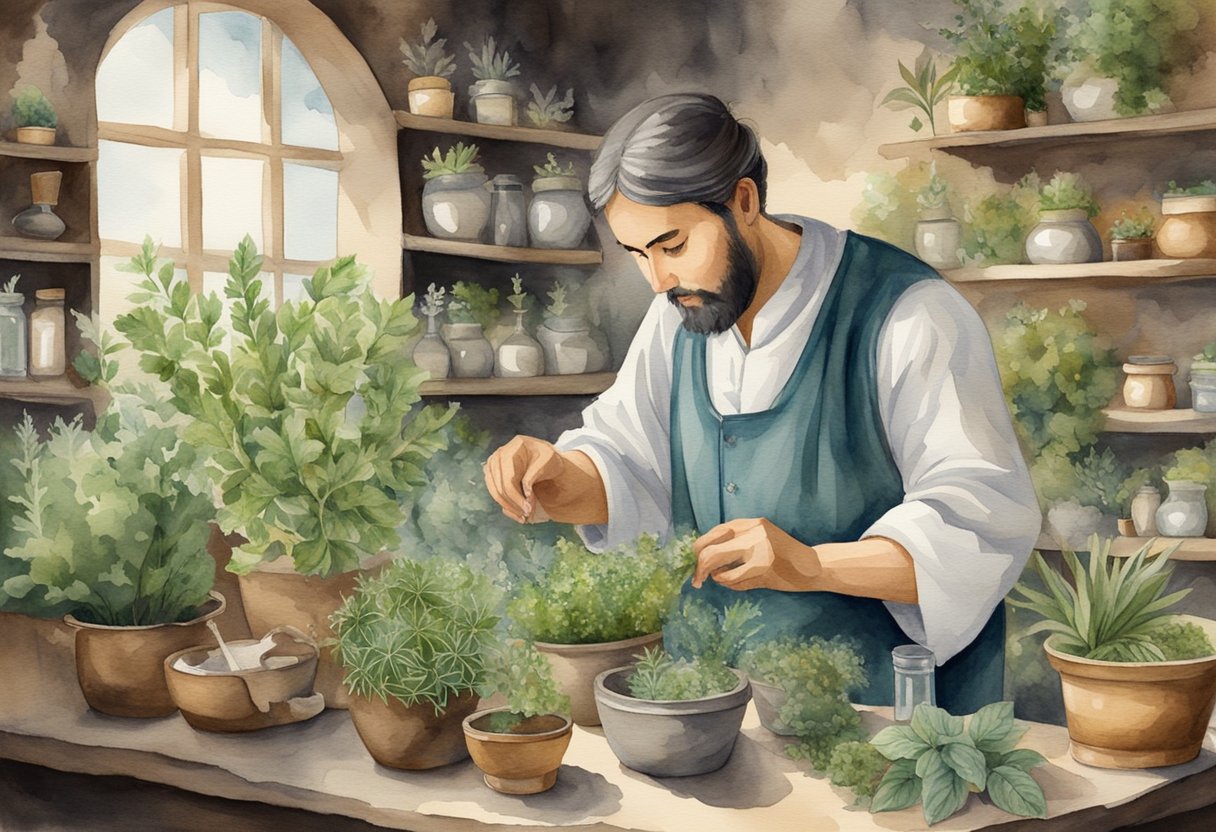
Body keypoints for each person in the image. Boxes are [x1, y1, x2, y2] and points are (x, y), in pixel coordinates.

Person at [483, 92, 1040, 713]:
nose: (658, 280)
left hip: (884, 723)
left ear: (743, 202)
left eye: (672, 245)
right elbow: (628, 463)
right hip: (716, 711)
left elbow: (980, 526)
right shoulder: (679, 316)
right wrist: (557, 478)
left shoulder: (910, 314)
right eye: (638, 255)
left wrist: (811, 565)